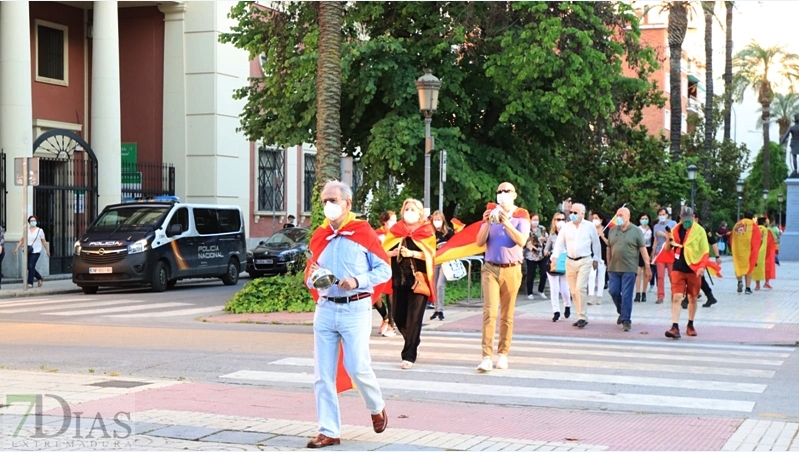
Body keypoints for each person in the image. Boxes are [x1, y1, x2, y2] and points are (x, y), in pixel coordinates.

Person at [303, 181, 390, 448]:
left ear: (347, 203)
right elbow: (309, 276)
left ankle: (376, 406)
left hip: (356, 307)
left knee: (357, 366)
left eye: (334, 200)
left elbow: (384, 270)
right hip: (327, 308)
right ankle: (329, 430)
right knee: (322, 374)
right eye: (325, 200)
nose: (328, 204)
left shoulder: (362, 231)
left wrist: (358, 280)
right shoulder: (319, 235)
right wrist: (315, 277)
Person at [475, 182, 531, 372]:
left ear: (514, 195)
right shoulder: (490, 213)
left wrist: (506, 222)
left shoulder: (521, 215)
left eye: (507, 191)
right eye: (499, 191)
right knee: (489, 312)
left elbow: (522, 240)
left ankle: (503, 353)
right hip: (490, 267)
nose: (502, 194)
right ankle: (486, 356)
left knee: (507, 314)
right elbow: (479, 242)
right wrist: (488, 223)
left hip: (512, 269)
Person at [383, 199, 436, 369]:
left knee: (414, 318)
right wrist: (394, 252)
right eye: (407, 208)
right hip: (399, 278)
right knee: (398, 316)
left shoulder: (427, 231)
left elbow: (431, 255)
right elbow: (384, 251)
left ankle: (409, 356)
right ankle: (413, 340)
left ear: (420, 213)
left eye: (413, 209)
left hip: (418, 279)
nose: (409, 211)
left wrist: (411, 253)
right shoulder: (396, 230)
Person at [663, 207, 720, 339]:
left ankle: (690, 324)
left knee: (692, 297)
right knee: (676, 297)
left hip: (694, 268)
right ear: (680, 218)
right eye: (684, 220)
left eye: (689, 220)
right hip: (678, 267)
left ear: (693, 217)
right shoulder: (675, 230)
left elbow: (705, 251)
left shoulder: (699, 231)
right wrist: (668, 239)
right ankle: (675, 327)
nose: (687, 223)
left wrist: (701, 267)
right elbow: (667, 249)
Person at [551, 203, 600, 329]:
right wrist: (554, 257)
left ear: (582, 214)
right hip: (570, 260)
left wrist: (596, 258)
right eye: (571, 212)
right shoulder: (566, 227)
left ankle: (582, 316)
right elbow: (559, 243)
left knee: (580, 288)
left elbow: (596, 243)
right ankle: (579, 315)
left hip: (585, 260)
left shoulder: (590, 227)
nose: (572, 214)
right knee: (573, 290)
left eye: (575, 213)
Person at [607, 207, 651, 332]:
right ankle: (621, 311)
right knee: (613, 291)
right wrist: (608, 264)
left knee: (627, 294)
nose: (618, 218)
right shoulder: (612, 230)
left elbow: (643, 249)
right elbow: (609, 248)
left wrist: (647, 267)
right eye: (617, 215)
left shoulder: (636, 231)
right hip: (614, 267)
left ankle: (626, 320)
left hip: (630, 268)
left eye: (621, 215)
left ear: (628, 217)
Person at [374, 211, 398, 337]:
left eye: (396, 220)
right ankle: (386, 317)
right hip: (378, 268)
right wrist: (389, 254)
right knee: (375, 295)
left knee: (391, 297)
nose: (394, 223)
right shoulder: (377, 235)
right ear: (384, 221)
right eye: (392, 220)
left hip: (393, 268)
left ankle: (391, 326)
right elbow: (375, 252)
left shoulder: (397, 235)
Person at [544, 213, 571, 322]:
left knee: (564, 289)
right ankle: (556, 311)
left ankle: (567, 305)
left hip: (565, 263)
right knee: (554, 289)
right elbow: (546, 248)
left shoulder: (569, 234)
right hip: (554, 264)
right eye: (558, 219)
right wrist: (546, 251)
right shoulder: (552, 236)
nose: (560, 221)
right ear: (554, 221)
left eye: (562, 219)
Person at [13, 216, 50, 288]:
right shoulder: (26, 230)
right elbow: (22, 240)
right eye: (31, 221)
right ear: (29, 222)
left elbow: (44, 241)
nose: (33, 222)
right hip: (28, 250)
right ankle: (39, 277)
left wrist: (47, 250)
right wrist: (17, 248)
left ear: (36, 221)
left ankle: (30, 283)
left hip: (36, 251)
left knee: (31, 265)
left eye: (34, 220)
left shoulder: (40, 230)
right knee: (28, 267)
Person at [731, 211, 761, 295]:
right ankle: (747, 288)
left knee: (738, 267)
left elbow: (732, 237)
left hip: (737, 250)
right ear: (752, 217)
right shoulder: (753, 225)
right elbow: (757, 239)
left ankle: (740, 282)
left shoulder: (737, 224)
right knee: (749, 269)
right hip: (748, 251)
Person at [430, 210, 453, 320]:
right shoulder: (430, 232)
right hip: (434, 261)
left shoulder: (448, 232)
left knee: (440, 285)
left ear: (443, 220)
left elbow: (454, 245)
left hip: (445, 261)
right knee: (434, 286)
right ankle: (436, 309)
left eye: (439, 220)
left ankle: (440, 310)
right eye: (435, 220)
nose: (437, 222)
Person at [652, 207, 677, 303]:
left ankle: (674, 293)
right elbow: (655, 240)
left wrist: (663, 234)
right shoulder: (656, 226)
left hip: (670, 251)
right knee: (660, 276)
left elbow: (674, 237)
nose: (661, 216)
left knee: (672, 275)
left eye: (663, 214)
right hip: (660, 251)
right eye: (660, 214)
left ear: (667, 215)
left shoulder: (673, 224)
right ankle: (660, 296)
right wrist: (653, 253)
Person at [524, 213, 549, 300]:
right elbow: (524, 241)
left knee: (543, 273)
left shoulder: (542, 229)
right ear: (530, 220)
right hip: (531, 255)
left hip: (542, 254)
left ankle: (541, 290)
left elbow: (547, 239)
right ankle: (530, 292)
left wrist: (544, 240)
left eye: (537, 219)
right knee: (531, 274)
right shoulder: (526, 229)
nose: (536, 221)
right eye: (534, 219)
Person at [587, 211, 608, 306]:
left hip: (603, 257)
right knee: (591, 275)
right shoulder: (590, 229)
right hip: (592, 256)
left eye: (596, 218)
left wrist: (602, 235)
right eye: (593, 218)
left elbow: (609, 243)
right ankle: (590, 296)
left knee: (601, 277)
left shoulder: (606, 230)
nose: (594, 220)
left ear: (601, 220)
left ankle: (599, 296)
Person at [752, 217, 776, 291]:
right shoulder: (767, 231)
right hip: (766, 252)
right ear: (764, 223)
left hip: (756, 252)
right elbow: (771, 243)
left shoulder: (755, 229)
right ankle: (766, 282)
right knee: (768, 266)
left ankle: (757, 285)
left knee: (757, 267)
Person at [634, 212, 653, 303]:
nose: (644, 220)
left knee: (646, 273)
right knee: (638, 273)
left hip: (648, 250)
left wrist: (651, 254)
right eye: (642, 218)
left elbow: (653, 242)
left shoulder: (651, 229)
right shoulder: (637, 229)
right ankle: (637, 293)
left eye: (646, 218)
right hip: (638, 251)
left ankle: (644, 293)